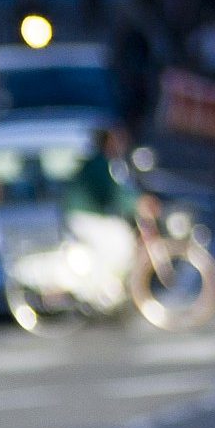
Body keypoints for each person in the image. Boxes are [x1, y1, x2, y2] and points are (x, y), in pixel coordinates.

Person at [63, 128, 157, 307]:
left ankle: (106, 287)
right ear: (107, 143)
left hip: (85, 214)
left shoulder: (102, 162)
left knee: (113, 239)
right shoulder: (101, 164)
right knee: (121, 239)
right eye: (117, 141)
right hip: (84, 215)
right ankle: (102, 291)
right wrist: (138, 204)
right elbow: (115, 193)